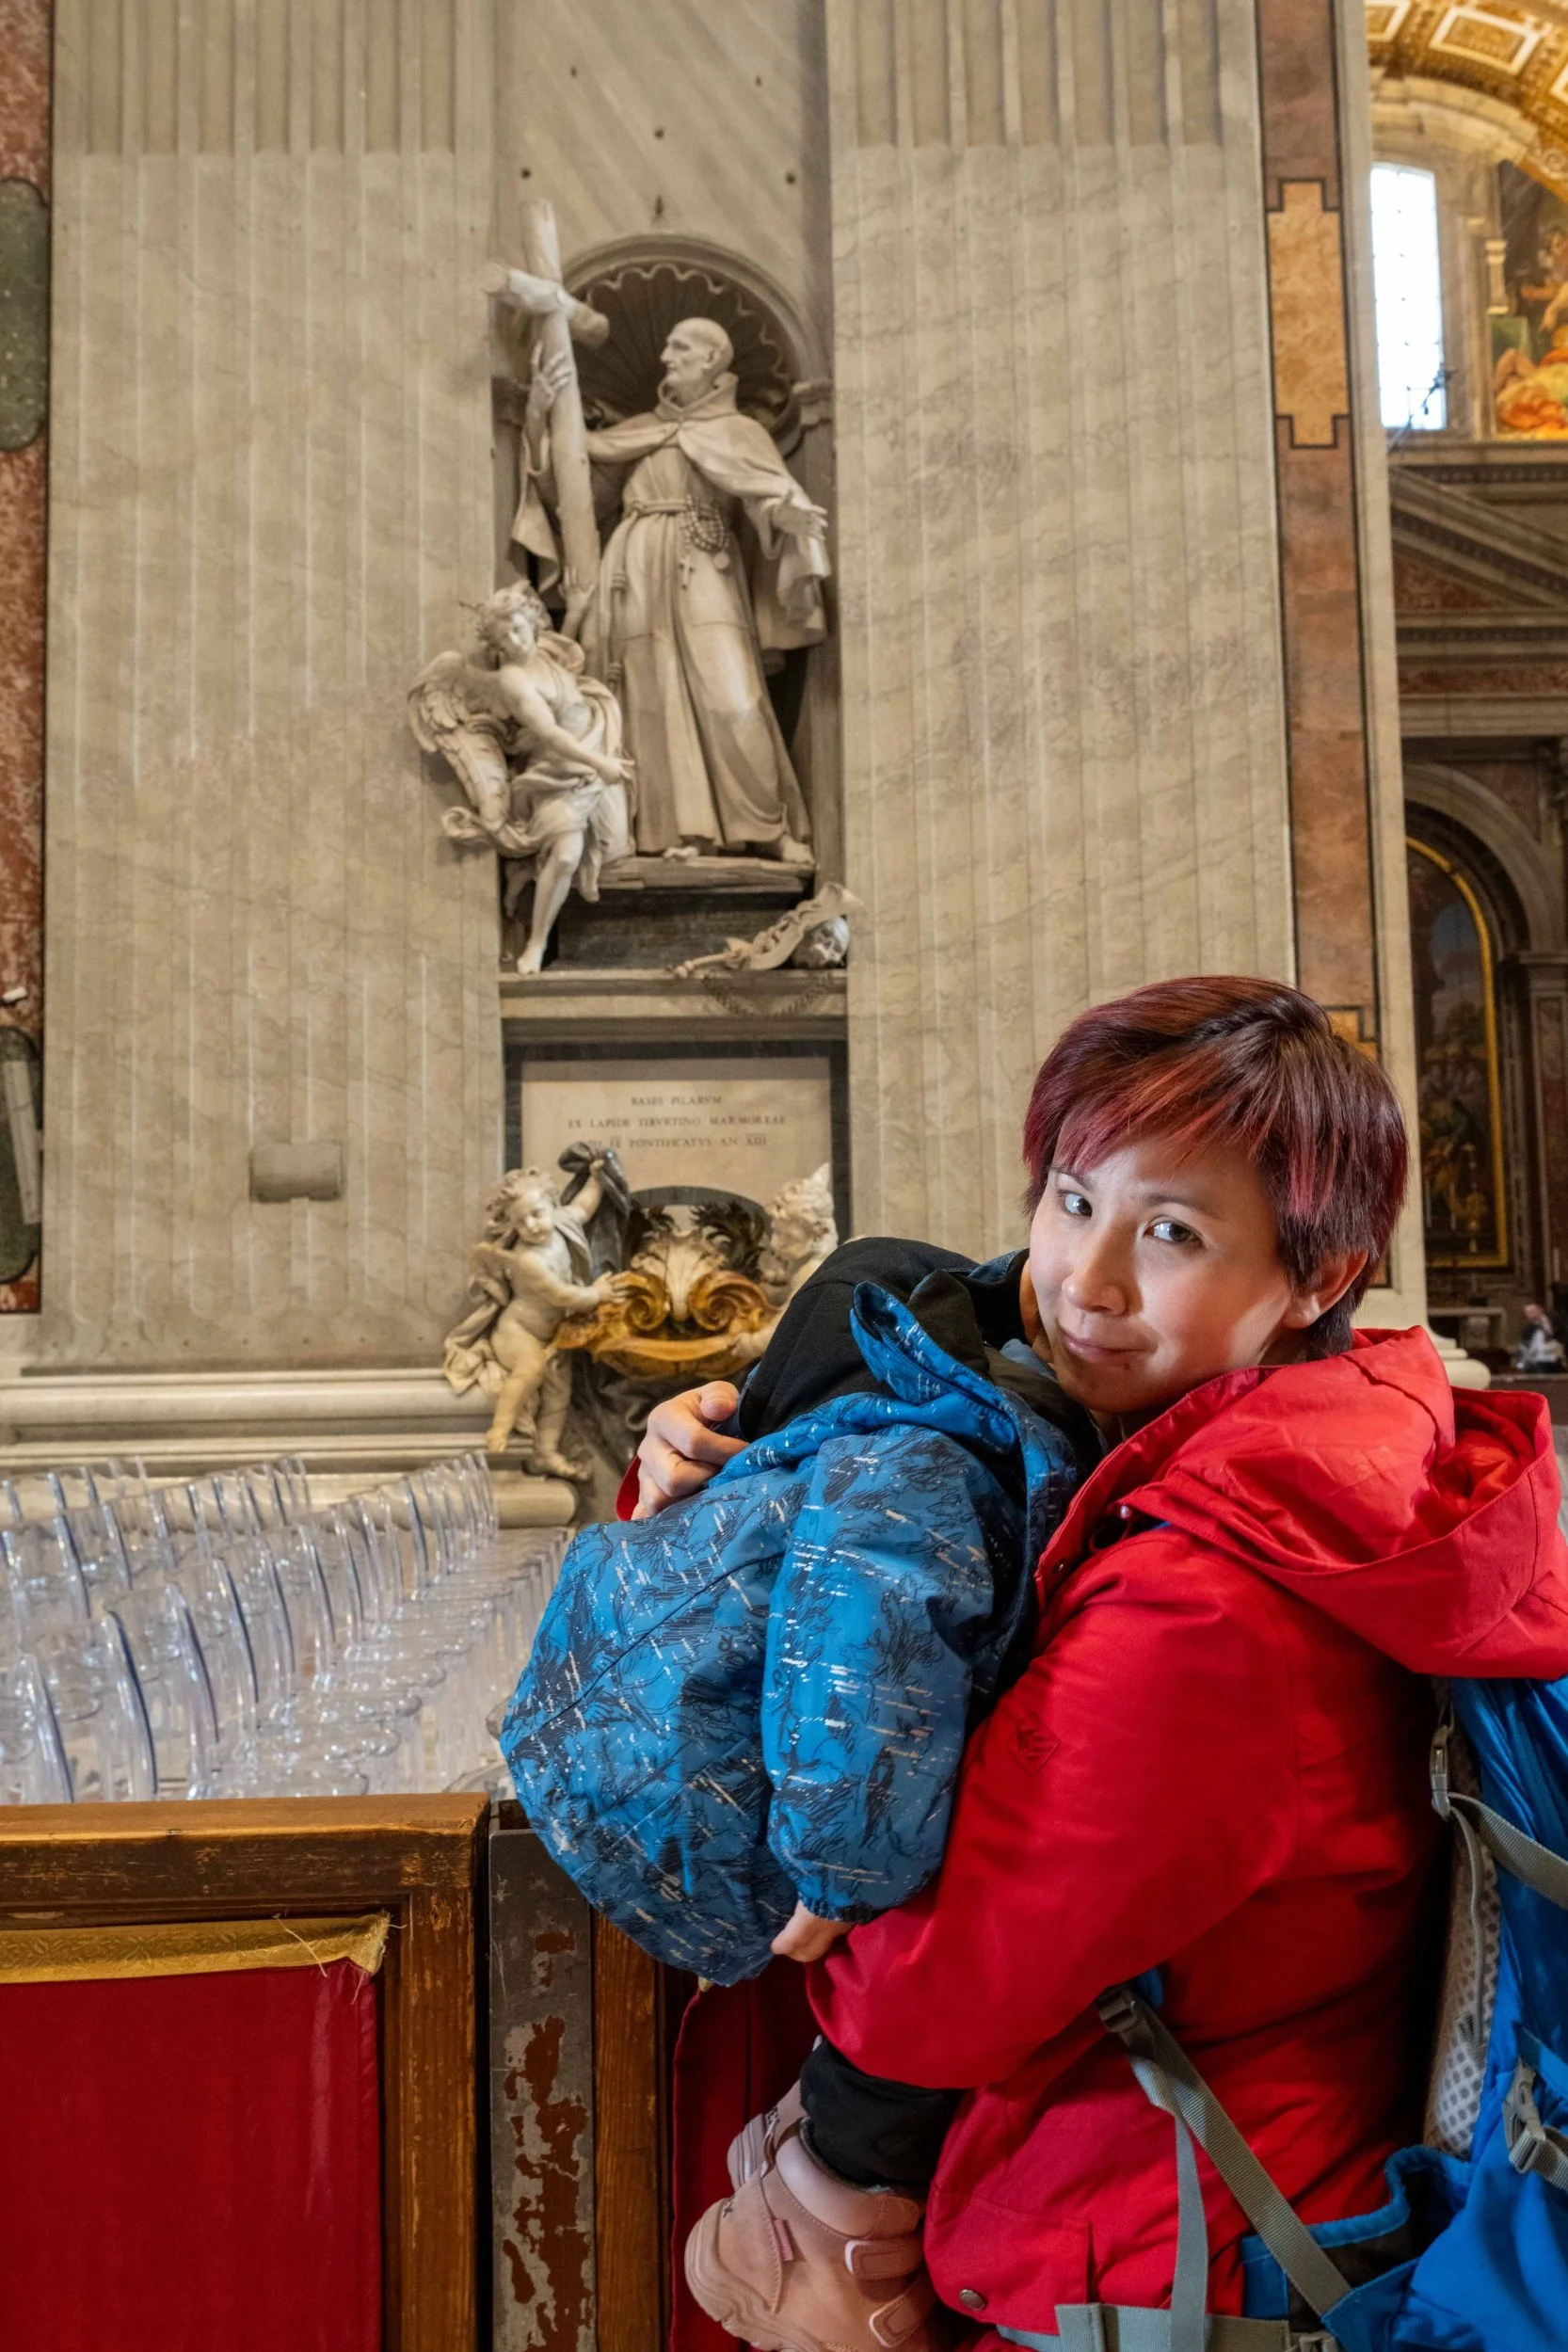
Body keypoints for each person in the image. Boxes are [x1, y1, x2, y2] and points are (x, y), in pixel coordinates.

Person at [636, 978, 1568, 2352]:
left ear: (1318, 1276)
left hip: (1173, 2271)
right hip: (1237, 2210)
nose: (1088, 1279)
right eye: (1073, 1201)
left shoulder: (1212, 1601)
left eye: (1172, 1233)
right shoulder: (1303, 1450)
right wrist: (718, 1495)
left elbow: (926, 1995)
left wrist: (827, 1860)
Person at [520, 320, 827, 860]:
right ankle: (670, 833)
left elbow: (766, 493)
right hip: (632, 571)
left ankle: (766, 827)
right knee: (648, 699)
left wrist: (786, 514)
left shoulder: (740, 432)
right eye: (666, 344)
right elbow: (576, 497)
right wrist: (537, 419)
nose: (665, 356)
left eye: (679, 347)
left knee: (734, 699)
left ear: (712, 359)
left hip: (705, 564)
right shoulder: (639, 431)